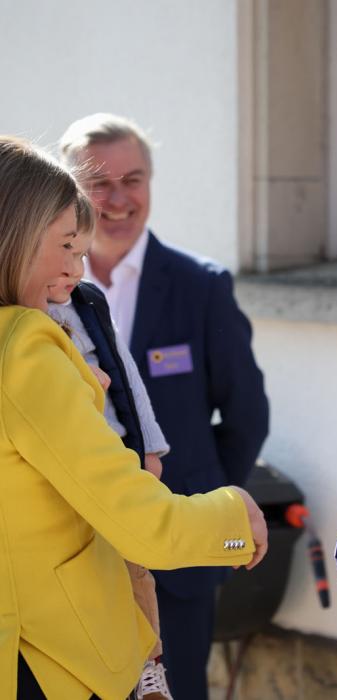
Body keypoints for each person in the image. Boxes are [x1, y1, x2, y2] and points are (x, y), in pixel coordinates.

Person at [0, 135, 267, 700]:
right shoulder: (26, 347)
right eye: (68, 245)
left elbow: (245, 410)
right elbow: (140, 525)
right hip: (52, 658)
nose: (77, 269)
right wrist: (235, 516)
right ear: (15, 235)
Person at [47, 225, 173, 699]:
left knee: (133, 575)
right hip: (62, 483)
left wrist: (150, 450)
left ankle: (148, 667)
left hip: (118, 474)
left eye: (81, 254)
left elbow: (126, 376)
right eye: (63, 251)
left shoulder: (87, 301)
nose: (75, 269)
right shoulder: (19, 321)